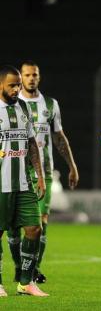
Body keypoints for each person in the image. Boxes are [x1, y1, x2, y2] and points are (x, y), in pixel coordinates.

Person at [7, 61, 79, 284]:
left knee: (41, 222)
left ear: (39, 77)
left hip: (43, 171)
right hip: (16, 170)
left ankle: (33, 269)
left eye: (34, 75)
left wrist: (72, 166)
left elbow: (59, 137)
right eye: (27, 75)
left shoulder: (50, 104)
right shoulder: (12, 105)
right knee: (12, 227)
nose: (31, 78)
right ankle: (20, 267)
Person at [0, 65, 48, 297]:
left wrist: (39, 176)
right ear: (0, 85)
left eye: (18, 84)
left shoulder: (22, 107)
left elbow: (31, 144)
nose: (17, 89)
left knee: (34, 229)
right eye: (12, 85)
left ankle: (26, 282)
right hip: (1, 185)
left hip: (24, 182)